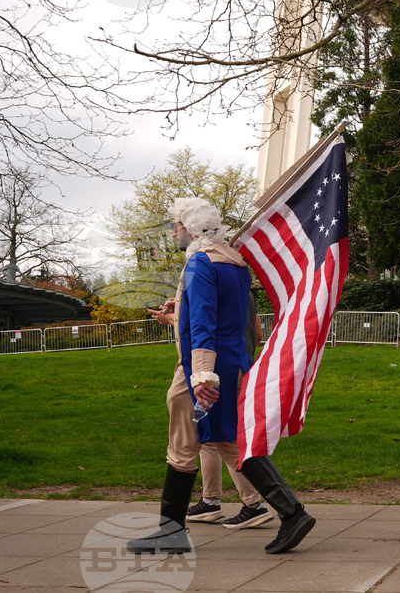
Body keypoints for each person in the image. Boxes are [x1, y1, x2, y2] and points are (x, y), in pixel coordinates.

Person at [127, 198, 314, 555]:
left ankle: (172, 532)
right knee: (231, 441)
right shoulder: (235, 263)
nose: (173, 232)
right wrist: (180, 302)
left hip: (205, 368)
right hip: (232, 362)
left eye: (176, 226)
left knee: (183, 447)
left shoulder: (200, 263)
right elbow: (224, 312)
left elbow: (203, 324)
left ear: (192, 230)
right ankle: (292, 512)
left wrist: (200, 375)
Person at [148, 293, 273, 529]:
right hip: (239, 368)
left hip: (211, 374)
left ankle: (255, 503)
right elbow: (257, 335)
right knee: (212, 438)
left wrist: (173, 318)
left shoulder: (208, 286)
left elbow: (203, 330)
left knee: (222, 439)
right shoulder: (245, 292)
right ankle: (211, 500)